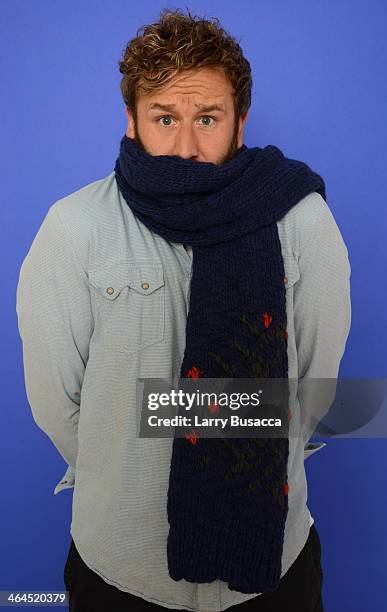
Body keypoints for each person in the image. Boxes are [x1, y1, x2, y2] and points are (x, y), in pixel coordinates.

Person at [16, 7, 351, 612]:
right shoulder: (75, 227)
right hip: (122, 566)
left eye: (208, 118)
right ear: (132, 121)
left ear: (239, 122)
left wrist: (238, 452)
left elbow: (316, 388)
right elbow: (54, 397)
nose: (187, 146)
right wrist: (123, 460)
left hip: (275, 560)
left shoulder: (300, 218)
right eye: (165, 118)